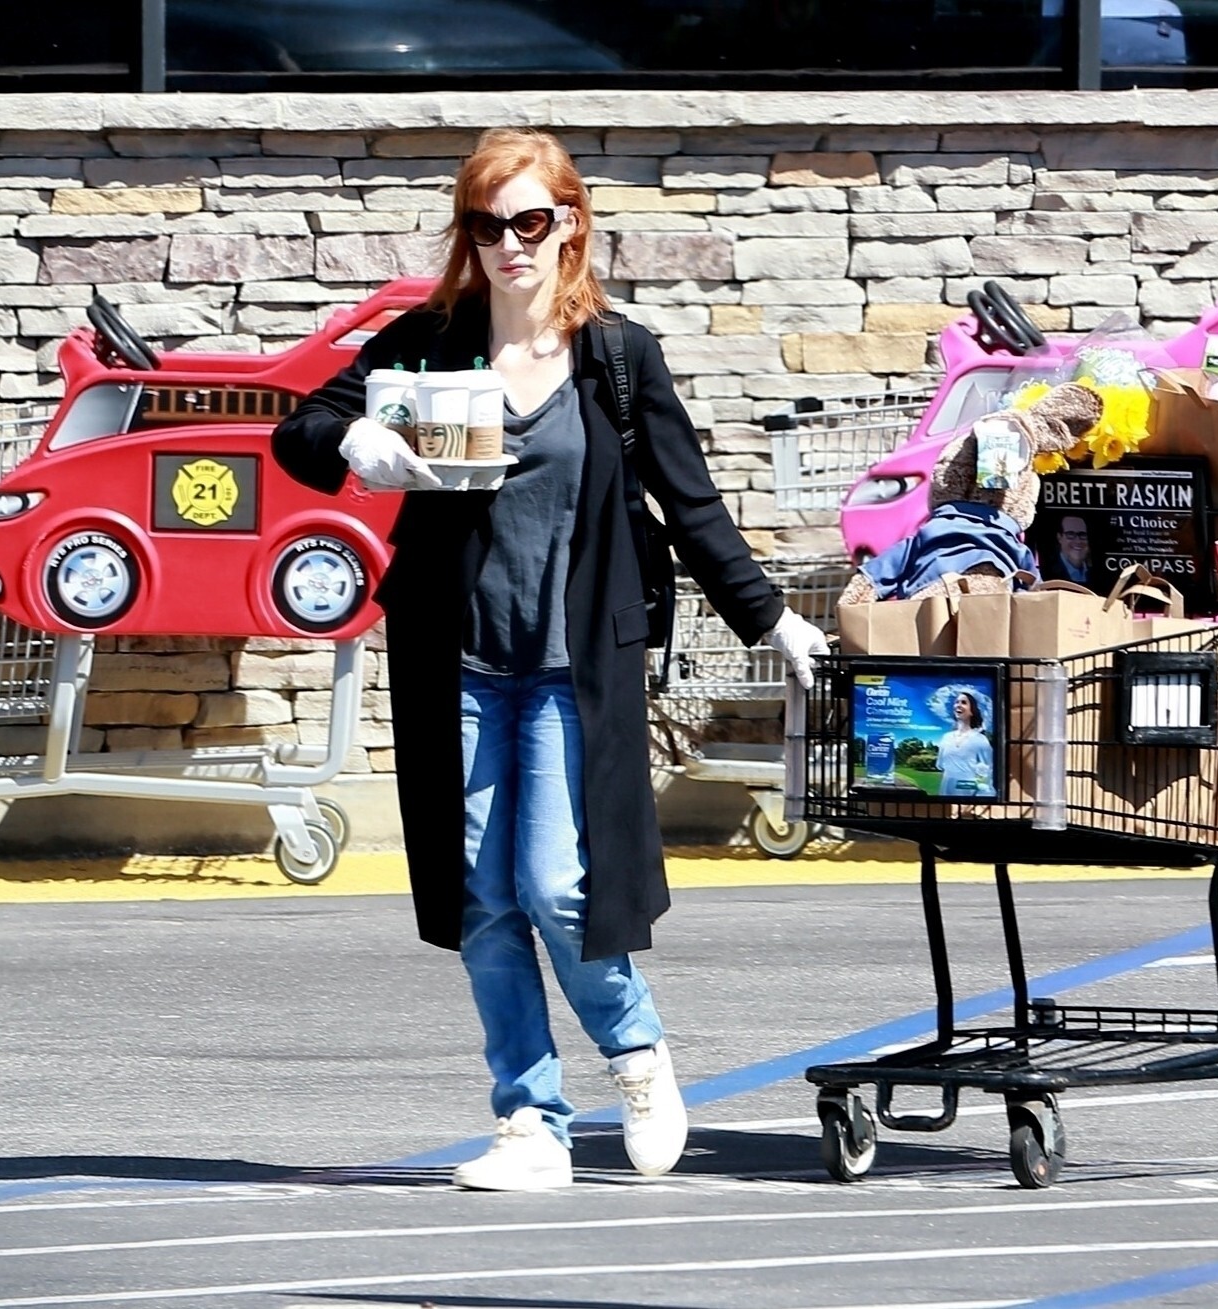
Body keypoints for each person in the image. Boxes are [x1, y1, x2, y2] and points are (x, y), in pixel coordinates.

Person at [272, 128, 827, 1192]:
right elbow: (301, 431)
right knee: (481, 897)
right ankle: (530, 1121)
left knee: (557, 886)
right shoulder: (429, 341)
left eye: (531, 220)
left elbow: (692, 503)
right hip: (460, 661)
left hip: (575, 667)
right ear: (468, 236)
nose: (511, 245)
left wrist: (769, 621)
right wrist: (352, 443)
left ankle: (637, 1052)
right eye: (488, 226)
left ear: (570, 222)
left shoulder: (616, 356)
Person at [934, 691, 995, 798]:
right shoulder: (946, 738)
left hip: (968, 798)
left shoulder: (980, 740)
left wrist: (982, 796)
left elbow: (987, 770)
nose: (958, 705)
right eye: (956, 702)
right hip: (945, 794)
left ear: (972, 711)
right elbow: (940, 765)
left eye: (963, 702)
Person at [1049, 514, 1093, 586]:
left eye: (1082, 535)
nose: (1078, 541)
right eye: (1070, 534)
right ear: (1059, 537)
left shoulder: (1096, 572)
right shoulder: (1048, 571)